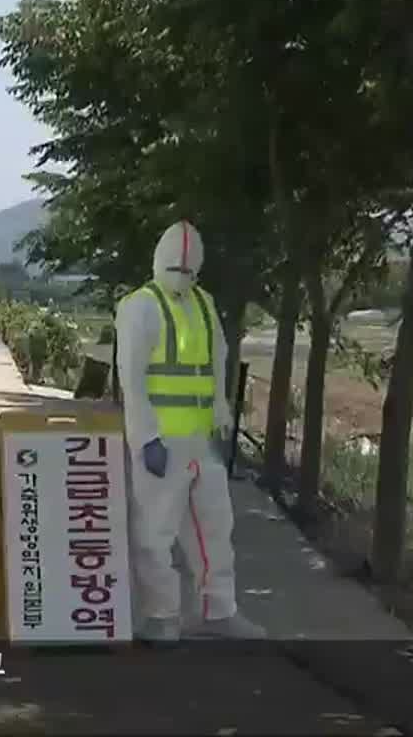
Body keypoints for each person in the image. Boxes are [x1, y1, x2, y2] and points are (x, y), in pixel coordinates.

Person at [114, 220, 267, 641]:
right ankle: (161, 617)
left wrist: (221, 411)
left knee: (215, 528)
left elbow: (217, 362)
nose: (181, 275)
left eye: (189, 269)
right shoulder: (140, 306)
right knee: (155, 532)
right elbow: (132, 377)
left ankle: (218, 611)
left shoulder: (203, 304)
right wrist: (145, 437)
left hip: (200, 441)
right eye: (175, 268)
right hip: (161, 441)